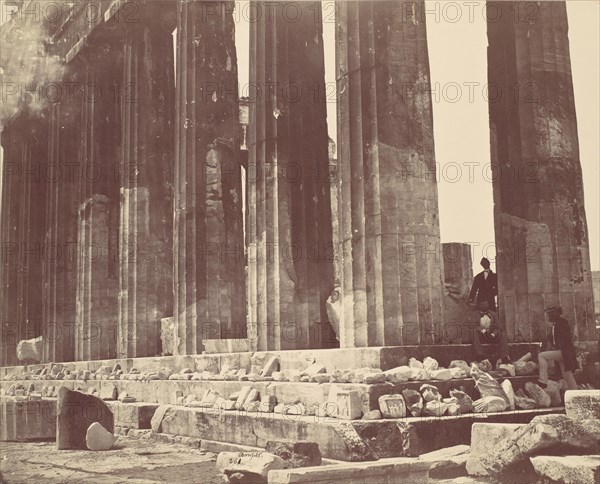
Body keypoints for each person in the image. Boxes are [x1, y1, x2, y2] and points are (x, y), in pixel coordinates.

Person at [538, 306, 578, 390]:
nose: (548, 316)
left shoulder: (561, 323)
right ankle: (575, 392)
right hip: (565, 352)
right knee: (567, 375)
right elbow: (554, 340)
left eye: (549, 314)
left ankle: (543, 381)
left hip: (564, 352)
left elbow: (563, 338)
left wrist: (557, 345)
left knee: (541, 356)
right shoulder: (557, 323)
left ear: (554, 314)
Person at [473, 300, 510, 364]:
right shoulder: (475, 314)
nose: (484, 306)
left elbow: (498, 327)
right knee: (474, 332)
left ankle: (504, 357)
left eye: (486, 304)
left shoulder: (493, 314)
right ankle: (480, 355)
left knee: (503, 335)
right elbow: (473, 325)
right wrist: (483, 331)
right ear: (479, 305)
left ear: (488, 305)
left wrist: (493, 333)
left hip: (492, 336)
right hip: (482, 336)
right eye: (482, 305)